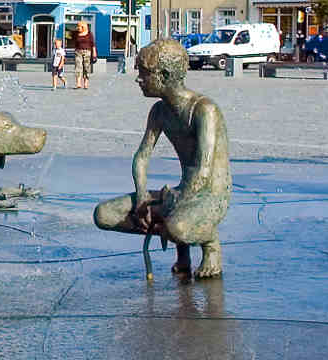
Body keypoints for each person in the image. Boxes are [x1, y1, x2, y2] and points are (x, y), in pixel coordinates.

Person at [93, 38, 230, 279]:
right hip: (180, 192)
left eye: (144, 74)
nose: (139, 80)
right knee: (104, 214)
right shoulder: (159, 111)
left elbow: (204, 169)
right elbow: (142, 157)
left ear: (164, 75)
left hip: (210, 194)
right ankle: (180, 242)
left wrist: (171, 205)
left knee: (177, 226)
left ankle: (210, 243)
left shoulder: (204, 110)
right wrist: (142, 195)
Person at [74, 22, 96, 90]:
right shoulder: (77, 34)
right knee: (78, 67)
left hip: (87, 52)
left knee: (86, 68)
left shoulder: (89, 34)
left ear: (83, 27)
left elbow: (93, 44)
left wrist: (94, 53)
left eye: (79, 27)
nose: (78, 28)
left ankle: (86, 84)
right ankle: (78, 84)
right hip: (78, 52)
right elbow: (75, 43)